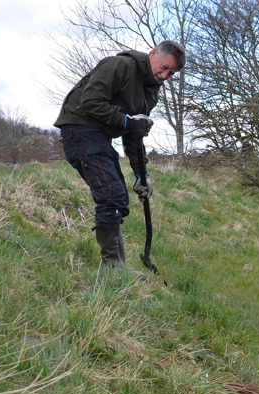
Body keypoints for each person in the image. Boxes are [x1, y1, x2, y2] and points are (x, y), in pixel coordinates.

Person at [54, 40, 186, 274]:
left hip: (99, 136)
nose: (165, 75)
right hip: (79, 127)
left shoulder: (151, 92)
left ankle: (117, 268)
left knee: (117, 196)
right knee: (111, 195)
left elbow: (134, 134)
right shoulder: (119, 66)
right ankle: (113, 270)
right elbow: (90, 102)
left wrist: (141, 174)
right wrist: (127, 121)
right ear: (153, 53)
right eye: (164, 67)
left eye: (171, 73)